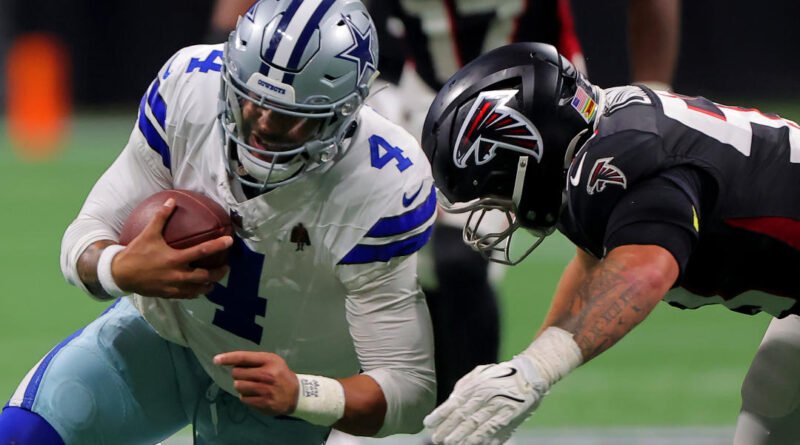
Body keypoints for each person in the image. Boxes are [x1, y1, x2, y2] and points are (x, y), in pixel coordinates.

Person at [0, 0, 437, 443]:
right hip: (167, 337)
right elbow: (87, 232)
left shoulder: (383, 183)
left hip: (282, 396)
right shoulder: (191, 86)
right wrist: (119, 267)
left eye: (291, 115)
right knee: (24, 434)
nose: (262, 125)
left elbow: (408, 391)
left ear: (342, 115)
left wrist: (303, 395)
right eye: (252, 100)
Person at [420, 41, 800, 445]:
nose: (502, 208)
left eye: (496, 189)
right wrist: (523, 372)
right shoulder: (597, 143)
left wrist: (537, 370)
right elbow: (597, 265)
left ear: (528, 147)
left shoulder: (622, 155)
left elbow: (645, 270)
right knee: (771, 400)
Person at [364, 0, 681, 410]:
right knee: (408, 264)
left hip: (535, 103)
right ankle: (445, 409)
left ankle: (472, 417)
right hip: (424, 97)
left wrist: (654, 92)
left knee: (460, 257)